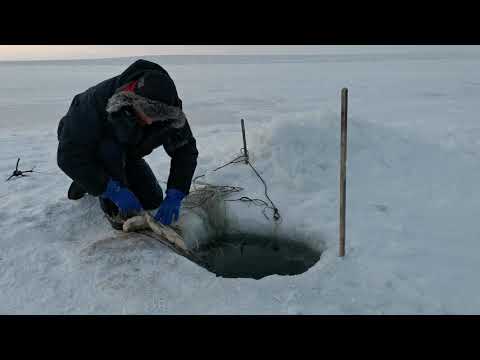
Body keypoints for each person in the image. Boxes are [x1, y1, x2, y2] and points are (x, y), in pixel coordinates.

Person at [57, 59, 198, 230]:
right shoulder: (93, 102)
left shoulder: (171, 113)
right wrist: (111, 189)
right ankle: (90, 179)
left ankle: (92, 178)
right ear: (132, 100)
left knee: (152, 200)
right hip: (87, 147)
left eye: (156, 117)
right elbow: (68, 156)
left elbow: (185, 150)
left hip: (128, 152)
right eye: (146, 113)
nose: (149, 121)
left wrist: (176, 192)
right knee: (120, 211)